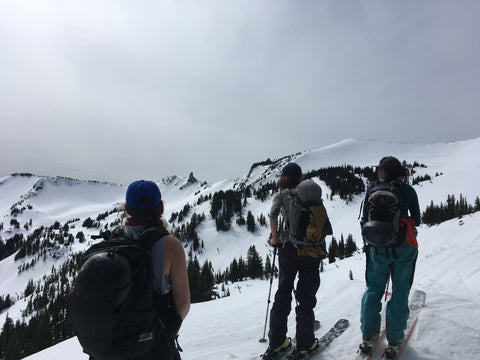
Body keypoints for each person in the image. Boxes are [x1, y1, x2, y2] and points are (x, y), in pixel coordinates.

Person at [119, 180, 190, 360]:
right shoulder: (170, 245)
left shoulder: (113, 241)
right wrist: (169, 329)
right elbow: (182, 303)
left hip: (112, 345)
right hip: (152, 345)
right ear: (160, 207)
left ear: (127, 207)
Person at [358, 157, 420, 359]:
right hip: (403, 247)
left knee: (374, 289)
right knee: (400, 291)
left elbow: (364, 220)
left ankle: (368, 336)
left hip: (377, 247)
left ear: (383, 171)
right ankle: (394, 341)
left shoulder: (371, 189)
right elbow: (417, 219)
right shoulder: (408, 191)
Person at [261, 163, 322, 360]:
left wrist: (275, 238)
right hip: (310, 250)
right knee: (305, 298)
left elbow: (272, 215)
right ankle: (305, 344)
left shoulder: (282, 194)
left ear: (284, 177)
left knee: (283, 294)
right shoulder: (309, 193)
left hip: (288, 250)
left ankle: (278, 343)